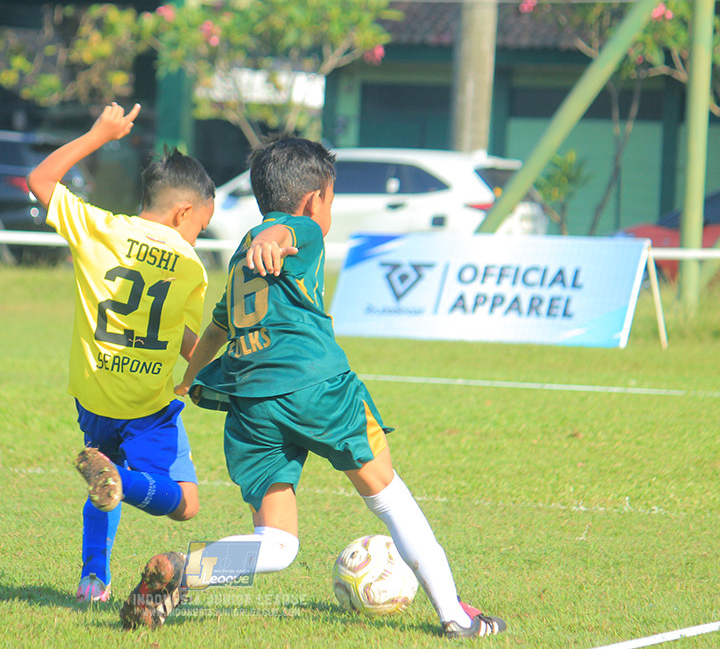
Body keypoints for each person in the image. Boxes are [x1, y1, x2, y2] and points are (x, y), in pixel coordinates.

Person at [118, 137, 506, 639]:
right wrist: (273, 238)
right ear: (315, 199)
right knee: (390, 500)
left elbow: (217, 329)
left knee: (278, 545)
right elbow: (286, 231)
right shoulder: (299, 229)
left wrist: (188, 379)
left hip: (252, 404)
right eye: (332, 198)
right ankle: (456, 616)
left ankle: (185, 571)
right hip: (316, 389)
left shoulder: (240, 257)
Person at [27, 103, 216, 603]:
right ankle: (123, 483)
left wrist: (99, 134)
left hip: (93, 396)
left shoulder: (100, 229)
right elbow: (178, 336)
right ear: (183, 213)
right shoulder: (190, 267)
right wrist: (205, 371)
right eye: (200, 224)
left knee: (102, 480)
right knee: (186, 504)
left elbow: (41, 179)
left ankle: (93, 580)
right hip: (146, 405)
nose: (198, 235)